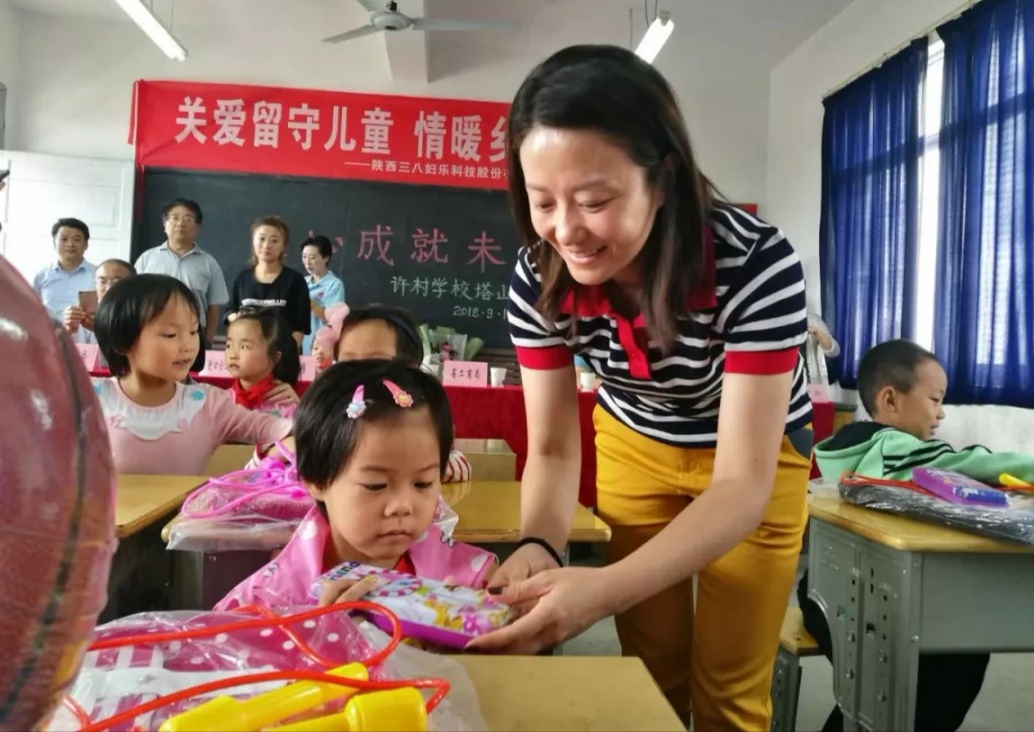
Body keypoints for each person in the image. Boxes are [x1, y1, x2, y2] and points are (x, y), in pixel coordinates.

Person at [466, 45, 814, 732]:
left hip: (755, 461)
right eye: (543, 202)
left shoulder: (756, 265)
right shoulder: (537, 279)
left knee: (730, 690)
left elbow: (741, 485)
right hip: (634, 444)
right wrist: (540, 544)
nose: (567, 230)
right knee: (650, 672)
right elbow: (554, 448)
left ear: (663, 180)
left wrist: (601, 592)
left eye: (594, 202)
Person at [801, 339, 1005, 731]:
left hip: (832, 591)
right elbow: (964, 464)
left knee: (889, 685)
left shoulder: (853, 444)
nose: (941, 413)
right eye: (934, 399)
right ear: (890, 400)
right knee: (949, 660)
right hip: (856, 601)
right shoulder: (892, 448)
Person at [214, 360, 497, 612]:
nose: (403, 506)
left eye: (422, 483)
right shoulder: (265, 603)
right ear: (315, 478)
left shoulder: (474, 587)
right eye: (376, 485)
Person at [92, 274, 294, 475]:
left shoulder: (207, 404)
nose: (188, 345)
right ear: (122, 342)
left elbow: (289, 431)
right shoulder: (89, 398)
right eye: (170, 334)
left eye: (193, 331)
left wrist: (270, 457)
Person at [315, 303, 471, 483]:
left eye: (375, 362)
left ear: (411, 366)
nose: (359, 373)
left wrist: (430, 466)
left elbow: (458, 464)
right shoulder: (332, 411)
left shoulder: (418, 414)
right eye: (348, 363)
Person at [134, 198, 230, 373]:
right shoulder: (147, 259)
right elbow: (134, 300)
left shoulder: (209, 263)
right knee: (154, 376)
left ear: (197, 227)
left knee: (189, 379)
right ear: (164, 225)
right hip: (153, 331)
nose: (180, 223)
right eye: (175, 218)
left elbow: (214, 307)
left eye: (187, 219)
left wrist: (207, 340)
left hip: (193, 335)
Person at [226, 216, 310, 348]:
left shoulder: (295, 281)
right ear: (253, 242)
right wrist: (238, 318)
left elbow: (300, 327)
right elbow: (229, 312)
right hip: (246, 353)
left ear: (284, 246)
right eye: (261, 239)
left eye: (274, 240)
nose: (266, 245)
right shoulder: (242, 279)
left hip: (281, 353)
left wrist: (288, 354)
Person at [225, 307, 302, 419]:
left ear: (274, 358)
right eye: (229, 346)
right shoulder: (220, 401)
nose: (233, 354)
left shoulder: (286, 407)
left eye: (244, 347)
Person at [32, 218, 96, 321]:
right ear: (54, 243)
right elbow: (30, 310)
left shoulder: (98, 275)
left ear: (86, 245)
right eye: (64, 239)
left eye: (76, 240)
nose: (70, 244)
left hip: (87, 331)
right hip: (51, 330)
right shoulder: (41, 276)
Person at [63, 258, 135, 346]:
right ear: (95, 285)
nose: (108, 288)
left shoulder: (140, 316)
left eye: (116, 282)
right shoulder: (85, 312)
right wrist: (69, 330)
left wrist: (99, 330)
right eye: (102, 282)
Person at [300, 234, 346, 355]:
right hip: (303, 344)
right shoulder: (302, 282)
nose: (307, 262)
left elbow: (332, 320)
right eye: (304, 257)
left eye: (312, 257)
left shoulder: (334, 285)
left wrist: (309, 302)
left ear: (326, 258)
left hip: (322, 348)